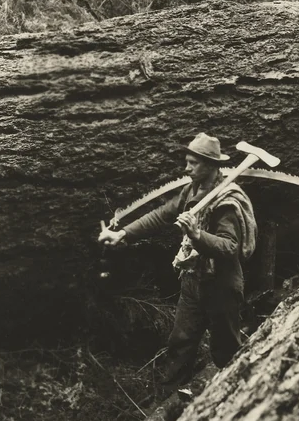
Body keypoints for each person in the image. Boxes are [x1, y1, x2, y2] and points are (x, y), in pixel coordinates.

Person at [98, 133, 257, 392]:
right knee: (180, 343)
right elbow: (161, 215)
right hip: (193, 280)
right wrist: (123, 234)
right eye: (187, 162)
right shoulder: (192, 189)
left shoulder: (226, 201)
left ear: (211, 165)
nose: (187, 168)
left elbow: (230, 248)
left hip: (221, 284)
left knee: (225, 349)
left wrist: (197, 235)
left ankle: (235, 395)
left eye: (193, 163)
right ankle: (167, 400)